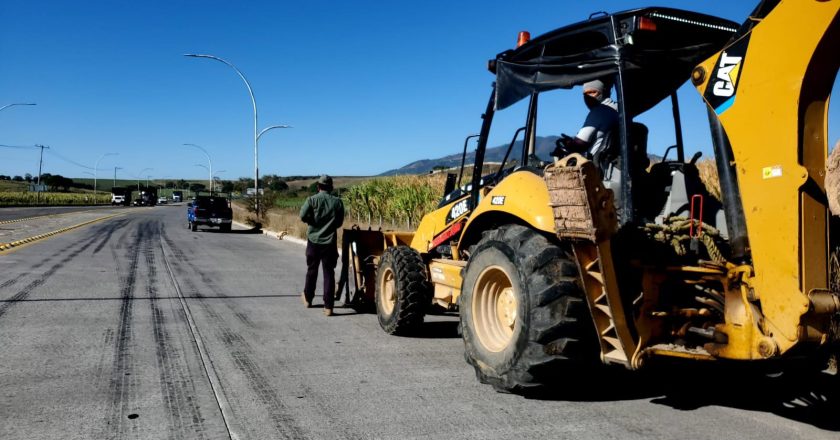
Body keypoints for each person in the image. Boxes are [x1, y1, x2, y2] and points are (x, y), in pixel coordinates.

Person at [299, 175, 345, 316]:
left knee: (312, 270)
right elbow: (339, 222)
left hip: (313, 240)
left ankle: (308, 298)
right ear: (331, 187)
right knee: (329, 273)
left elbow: (302, 216)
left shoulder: (311, 200)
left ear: (318, 186)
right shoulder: (337, 202)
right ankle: (329, 307)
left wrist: (312, 222)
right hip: (329, 242)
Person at [552, 78, 619, 159]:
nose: (588, 97)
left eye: (592, 92)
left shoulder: (599, 111)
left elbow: (579, 144)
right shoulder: (619, 108)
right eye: (585, 94)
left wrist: (568, 142)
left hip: (595, 167)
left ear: (603, 92)